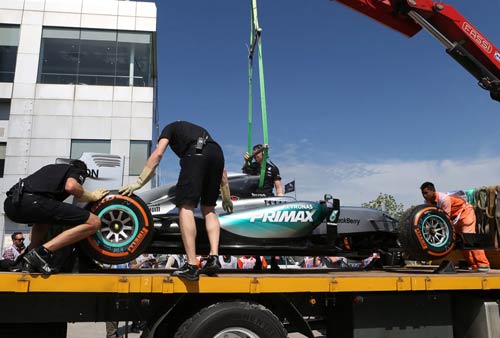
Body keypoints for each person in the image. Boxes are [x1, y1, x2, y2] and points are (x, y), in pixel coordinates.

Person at [119, 121, 233, 281]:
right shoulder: (198, 130)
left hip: (196, 153)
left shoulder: (169, 128)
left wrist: (139, 182)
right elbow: (223, 173)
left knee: (186, 206)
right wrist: (226, 198)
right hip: (217, 154)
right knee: (209, 208)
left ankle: (192, 265)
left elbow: (158, 154)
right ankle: (214, 258)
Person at [3, 160, 109, 274]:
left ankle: (27, 258)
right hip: (34, 201)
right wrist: (92, 196)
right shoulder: (76, 170)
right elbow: (72, 186)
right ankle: (41, 253)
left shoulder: (52, 169)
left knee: (44, 222)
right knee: (94, 222)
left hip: (11, 205)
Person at [420, 181, 490, 272]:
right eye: (422, 193)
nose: (424, 195)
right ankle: (474, 265)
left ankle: (483, 264)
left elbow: (445, 218)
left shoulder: (444, 199)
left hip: (465, 213)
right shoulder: (427, 201)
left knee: (469, 239)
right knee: (460, 240)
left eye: (426, 193)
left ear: (433, 191)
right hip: (454, 218)